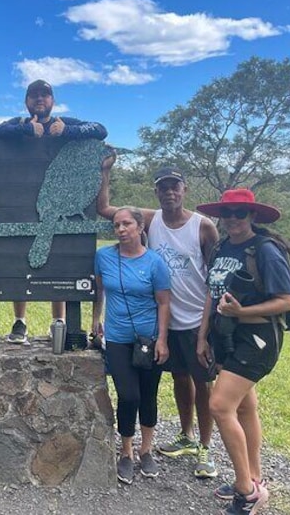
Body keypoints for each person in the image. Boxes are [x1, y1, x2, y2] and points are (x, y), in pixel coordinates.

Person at [97, 161, 220, 479]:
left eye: (174, 186)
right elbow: (105, 208)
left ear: (184, 190)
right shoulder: (151, 220)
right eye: (163, 187)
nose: (169, 192)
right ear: (156, 192)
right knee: (179, 378)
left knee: (203, 384)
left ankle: (206, 449)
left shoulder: (203, 226)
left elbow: (215, 279)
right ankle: (186, 435)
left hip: (194, 319)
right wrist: (107, 172)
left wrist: (209, 327)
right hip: (163, 322)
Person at [196, 189, 290, 515]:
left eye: (240, 212)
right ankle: (254, 476)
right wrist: (202, 336)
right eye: (228, 212)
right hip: (226, 336)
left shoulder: (264, 251)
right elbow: (213, 293)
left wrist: (241, 314)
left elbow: (287, 301)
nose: (233, 218)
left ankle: (246, 491)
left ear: (252, 216)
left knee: (220, 405)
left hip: (258, 338)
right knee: (244, 406)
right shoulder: (222, 246)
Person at [0, 79, 108, 344]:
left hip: (60, 202)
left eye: (45, 95)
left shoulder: (67, 123)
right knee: (21, 263)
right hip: (22, 200)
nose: (39, 99)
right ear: (26, 100)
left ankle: (60, 321)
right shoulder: (18, 122)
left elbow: (100, 129)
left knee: (60, 259)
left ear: (52, 100)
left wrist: (67, 131)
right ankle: (20, 321)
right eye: (34, 95)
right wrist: (23, 128)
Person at [91, 206, 171, 485]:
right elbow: (99, 290)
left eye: (127, 224)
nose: (121, 229)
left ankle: (146, 450)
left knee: (148, 394)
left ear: (140, 228)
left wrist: (162, 339)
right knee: (129, 395)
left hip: (148, 339)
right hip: (117, 337)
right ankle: (125, 451)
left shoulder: (155, 263)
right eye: (117, 225)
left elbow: (163, 303)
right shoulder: (103, 257)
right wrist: (95, 319)